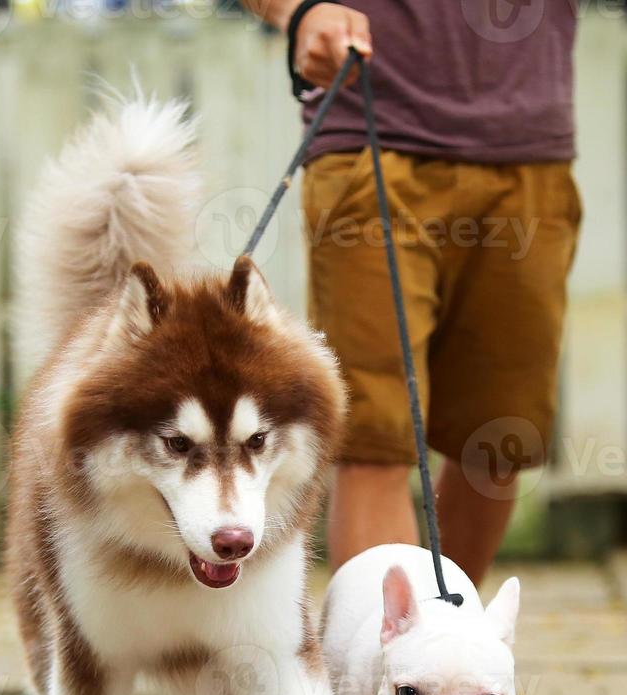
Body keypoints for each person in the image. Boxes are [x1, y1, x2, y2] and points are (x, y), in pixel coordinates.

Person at [242, 0, 582, 587]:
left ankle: (445, 654)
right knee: (375, 441)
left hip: (529, 155)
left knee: (494, 444)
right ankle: (384, 671)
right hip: (371, 138)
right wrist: (299, 12)